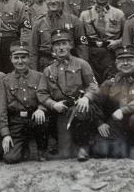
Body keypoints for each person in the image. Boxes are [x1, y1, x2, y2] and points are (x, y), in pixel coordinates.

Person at [38, 29, 99, 160]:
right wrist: (53, 104)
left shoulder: (82, 64)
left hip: (79, 106)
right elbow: (42, 93)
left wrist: (86, 98)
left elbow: (93, 86)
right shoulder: (48, 70)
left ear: (70, 45)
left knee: (81, 111)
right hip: (61, 110)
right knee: (65, 153)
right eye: (57, 45)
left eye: (64, 43)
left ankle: (83, 148)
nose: (60, 48)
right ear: (53, 48)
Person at [94, 45, 134, 159]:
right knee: (99, 149)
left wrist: (123, 110)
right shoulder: (111, 82)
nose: (126, 63)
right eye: (122, 60)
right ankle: (127, 148)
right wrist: (100, 123)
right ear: (116, 63)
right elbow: (97, 102)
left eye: (129, 60)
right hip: (118, 122)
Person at [0, 41, 49, 163]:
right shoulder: (5, 80)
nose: (20, 61)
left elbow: (45, 95)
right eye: (16, 58)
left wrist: (41, 108)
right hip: (16, 122)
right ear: (11, 59)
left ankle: (42, 150)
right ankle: (23, 145)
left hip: (34, 118)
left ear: (29, 58)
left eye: (23, 57)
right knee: (10, 158)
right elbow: (1, 109)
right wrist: (5, 134)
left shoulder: (39, 76)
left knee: (42, 120)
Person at [29, 0, 88, 71]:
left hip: (70, 64)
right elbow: (33, 51)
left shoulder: (74, 20)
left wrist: (82, 68)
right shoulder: (39, 23)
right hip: (46, 65)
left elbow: (82, 47)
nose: (53, 1)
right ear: (45, 0)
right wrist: (34, 74)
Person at [79, 0, 125, 82]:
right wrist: (84, 57)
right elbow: (81, 38)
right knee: (92, 82)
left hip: (111, 53)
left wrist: (117, 42)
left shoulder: (118, 14)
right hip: (92, 53)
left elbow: (126, 36)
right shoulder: (85, 14)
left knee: (110, 83)